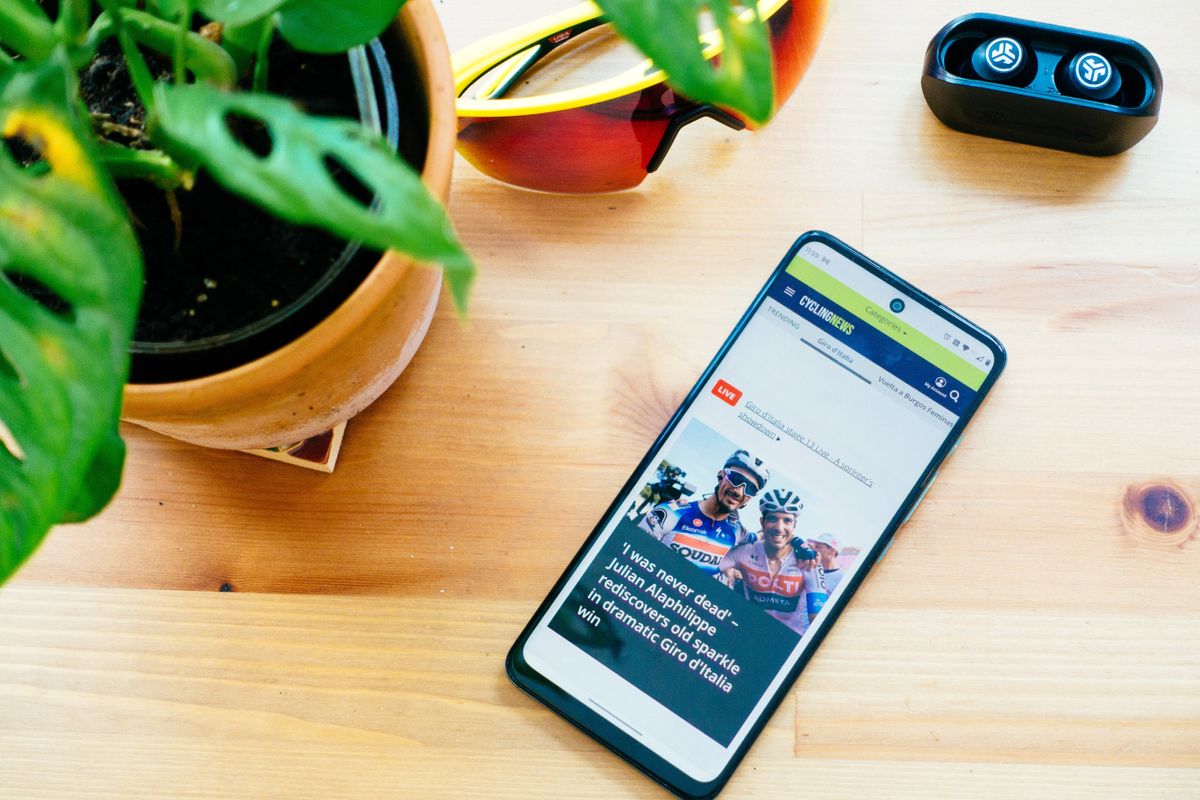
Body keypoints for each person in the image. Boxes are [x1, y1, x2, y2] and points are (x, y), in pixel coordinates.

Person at [639, 449, 768, 578]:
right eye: (736, 479)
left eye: (750, 488)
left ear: (752, 496)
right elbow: (632, 555)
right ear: (721, 476)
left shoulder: (737, 531)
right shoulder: (669, 513)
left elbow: (762, 537)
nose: (739, 491)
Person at [720, 489, 827, 635]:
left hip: (787, 639)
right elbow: (704, 565)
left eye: (787, 520)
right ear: (762, 522)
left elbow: (818, 619)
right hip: (747, 632)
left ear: (794, 525)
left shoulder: (809, 561)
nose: (779, 527)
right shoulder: (745, 552)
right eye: (772, 519)